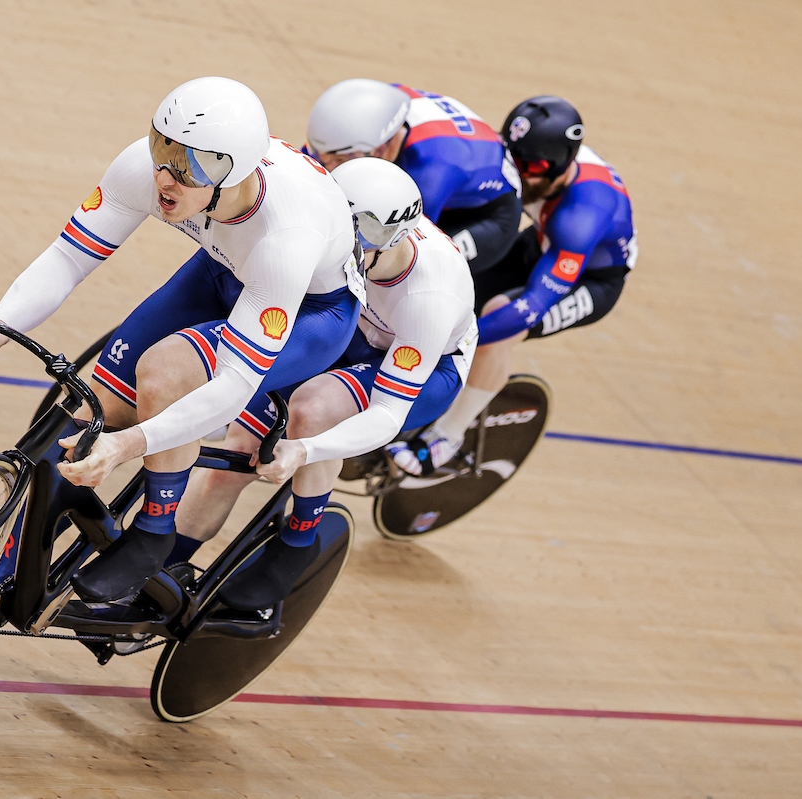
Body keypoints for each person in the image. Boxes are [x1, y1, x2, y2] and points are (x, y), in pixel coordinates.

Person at [0, 76, 361, 651]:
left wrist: (129, 447)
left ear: (237, 170)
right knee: (82, 416)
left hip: (310, 312)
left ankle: (154, 529)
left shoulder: (287, 231)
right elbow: (67, 258)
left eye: (191, 165)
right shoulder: (144, 170)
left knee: (167, 373)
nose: (167, 177)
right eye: (162, 150)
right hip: (222, 270)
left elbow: (230, 387)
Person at [174, 158, 477, 609]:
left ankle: (299, 541)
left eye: (357, 247)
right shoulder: (334, 232)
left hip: (426, 364)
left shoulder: (430, 296)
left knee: (313, 410)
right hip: (351, 327)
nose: (345, 254)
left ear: (393, 240)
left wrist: (306, 449)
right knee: (238, 447)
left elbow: (385, 415)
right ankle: (164, 562)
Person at [387, 95, 638, 475]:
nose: (520, 172)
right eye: (514, 157)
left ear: (561, 166)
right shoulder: (537, 158)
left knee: (496, 320)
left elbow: (529, 308)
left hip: (590, 279)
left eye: (531, 168)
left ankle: (447, 438)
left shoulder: (581, 215)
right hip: (537, 245)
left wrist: (451, 340)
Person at [305, 78, 523, 276]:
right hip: (456, 168)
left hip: (487, 216)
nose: (328, 166)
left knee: (411, 269)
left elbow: (391, 247)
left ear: (381, 149)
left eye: (341, 160)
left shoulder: (431, 171)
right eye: (320, 154)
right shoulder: (374, 108)